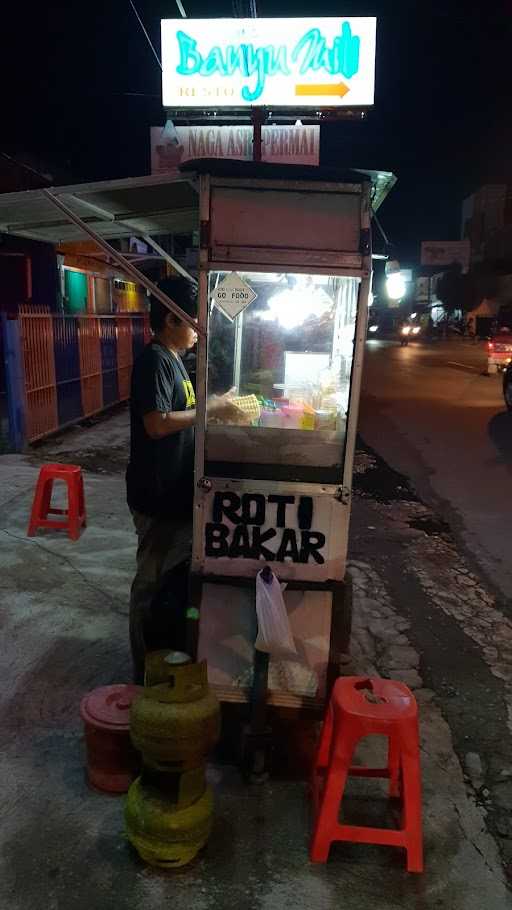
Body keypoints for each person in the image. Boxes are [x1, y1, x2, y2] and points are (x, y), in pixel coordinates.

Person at [126, 276, 238, 682]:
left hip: (174, 492)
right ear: (171, 319)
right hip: (155, 494)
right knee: (150, 583)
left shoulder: (175, 361)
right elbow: (156, 424)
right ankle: (141, 670)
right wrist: (210, 412)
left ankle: (161, 652)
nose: (197, 330)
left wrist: (215, 410)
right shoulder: (155, 361)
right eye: (193, 321)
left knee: (169, 580)